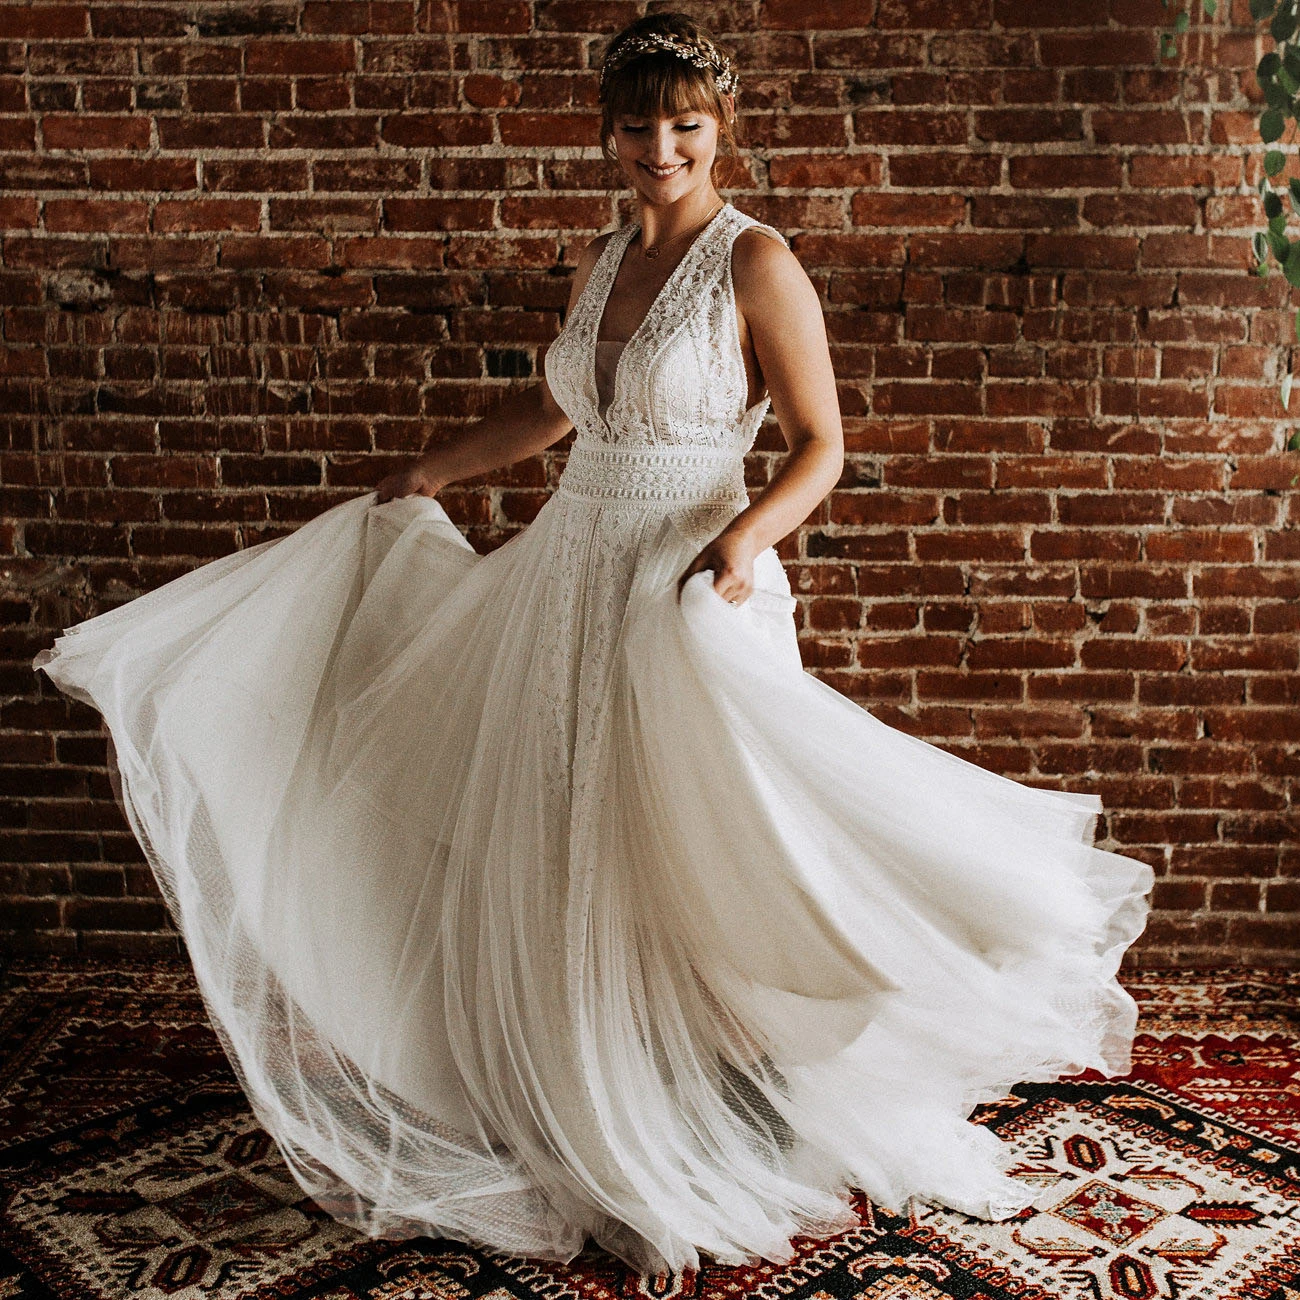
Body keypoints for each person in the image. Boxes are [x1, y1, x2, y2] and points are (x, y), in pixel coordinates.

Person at [31, 11, 1154, 1278]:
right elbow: (555, 411)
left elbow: (821, 443)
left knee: (687, 845)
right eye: (637, 125)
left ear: (719, 129)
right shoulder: (605, 250)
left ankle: (699, 1107)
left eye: (684, 125)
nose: (659, 148)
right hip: (568, 571)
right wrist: (429, 470)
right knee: (567, 837)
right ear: (607, 134)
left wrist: (743, 541)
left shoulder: (756, 263)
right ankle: (584, 1104)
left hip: (686, 583)